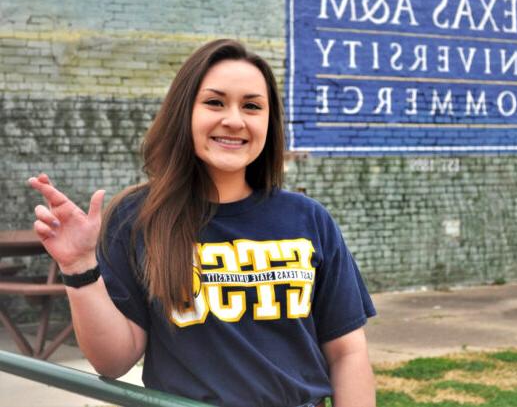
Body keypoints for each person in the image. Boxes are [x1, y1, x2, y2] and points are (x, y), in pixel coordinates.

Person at [27, 39, 376, 407]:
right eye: (215, 102)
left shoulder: (309, 219)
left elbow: (347, 353)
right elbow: (114, 361)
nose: (234, 120)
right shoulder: (137, 218)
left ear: (269, 122)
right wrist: (79, 268)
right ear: (184, 112)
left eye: (252, 106)